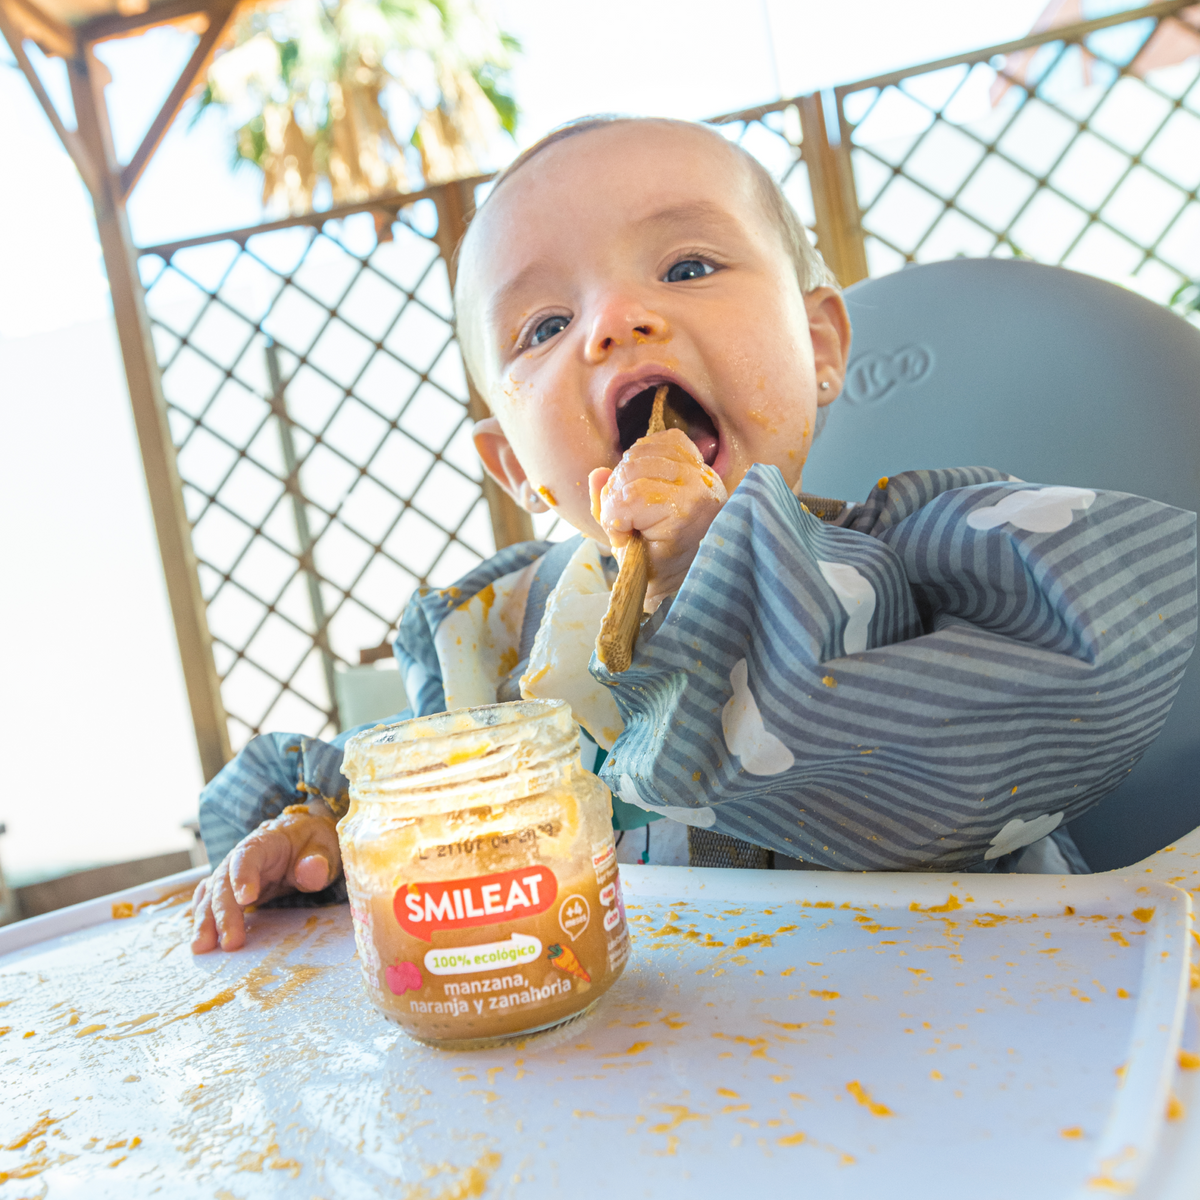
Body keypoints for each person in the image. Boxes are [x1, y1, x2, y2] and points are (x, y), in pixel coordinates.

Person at [190, 116, 1197, 953]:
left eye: (686, 264)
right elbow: (401, 803)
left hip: (975, 1067)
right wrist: (328, 843)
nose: (616, 320)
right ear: (514, 469)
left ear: (819, 347)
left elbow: (1072, 694)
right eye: (543, 327)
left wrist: (732, 579)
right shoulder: (492, 648)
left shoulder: (937, 563)